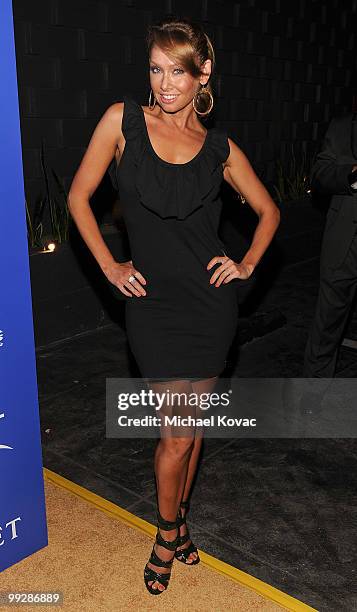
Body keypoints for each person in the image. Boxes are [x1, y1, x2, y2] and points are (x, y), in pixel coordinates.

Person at [67, 16, 280, 595]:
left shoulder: (220, 148)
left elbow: (269, 212)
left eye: (177, 72)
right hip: (153, 306)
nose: (164, 84)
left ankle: (180, 523)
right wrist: (110, 266)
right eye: (156, 69)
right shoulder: (122, 123)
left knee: (194, 423)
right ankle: (168, 533)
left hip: (210, 306)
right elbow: (78, 198)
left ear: (202, 74)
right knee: (177, 434)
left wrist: (246, 265)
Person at [303, 111, 357, 377]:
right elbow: (320, 175)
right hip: (344, 240)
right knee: (328, 321)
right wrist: (352, 174)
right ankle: (313, 389)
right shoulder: (342, 127)